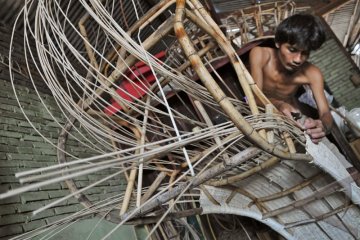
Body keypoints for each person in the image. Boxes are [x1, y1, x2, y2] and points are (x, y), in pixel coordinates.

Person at [249, 13, 333, 144]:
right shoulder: (260, 54)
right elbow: (254, 98)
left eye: (305, 53)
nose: (298, 59)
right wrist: (280, 105)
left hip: (292, 118)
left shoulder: (313, 73)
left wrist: (323, 126)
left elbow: (326, 113)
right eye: (292, 49)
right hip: (259, 113)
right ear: (278, 42)